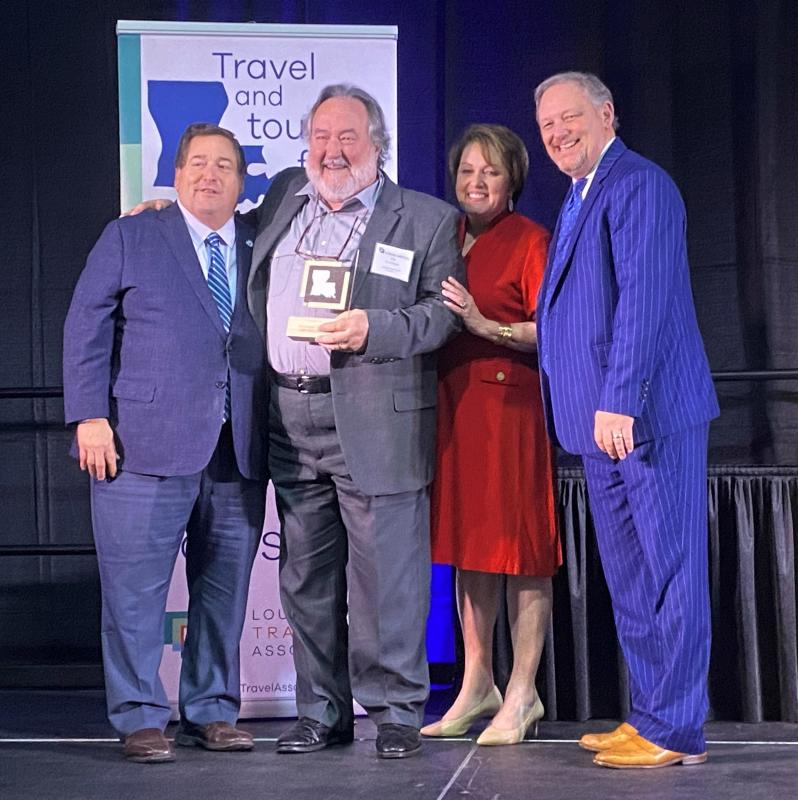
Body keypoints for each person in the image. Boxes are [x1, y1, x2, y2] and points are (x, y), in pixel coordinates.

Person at [246, 84, 463, 759]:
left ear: (379, 145)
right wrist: (168, 210)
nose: (332, 151)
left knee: (386, 581)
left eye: (348, 138)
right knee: (306, 580)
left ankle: (397, 710)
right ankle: (321, 711)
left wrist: (376, 326)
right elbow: (224, 227)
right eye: (320, 137)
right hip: (289, 411)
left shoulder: (424, 219)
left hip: (377, 416)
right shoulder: (284, 197)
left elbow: (443, 314)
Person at [63, 124, 268, 763]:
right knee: (134, 593)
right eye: (198, 165)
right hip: (139, 446)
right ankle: (140, 716)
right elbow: (85, 325)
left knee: (224, 594)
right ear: (175, 176)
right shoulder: (132, 234)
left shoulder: (265, 239)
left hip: (238, 450)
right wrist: (88, 416)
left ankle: (210, 709)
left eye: (225, 166)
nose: (211, 176)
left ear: (242, 180)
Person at [534, 72, 719, 769]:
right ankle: (651, 715)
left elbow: (645, 299)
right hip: (598, 425)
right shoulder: (581, 195)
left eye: (569, 117)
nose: (557, 133)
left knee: (670, 573)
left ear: (607, 113)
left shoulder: (639, 184)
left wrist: (622, 398)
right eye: (547, 123)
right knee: (633, 578)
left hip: (643, 416)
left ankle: (677, 730)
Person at [420, 125, 560, 746]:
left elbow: (553, 331)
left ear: (513, 183)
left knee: (520, 549)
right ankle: (477, 683)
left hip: (509, 409)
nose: (475, 183)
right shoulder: (439, 233)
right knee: (467, 546)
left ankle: (523, 691)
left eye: (490, 173)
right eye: (467, 171)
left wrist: (486, 324)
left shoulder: (532, 241)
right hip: (451, 404)